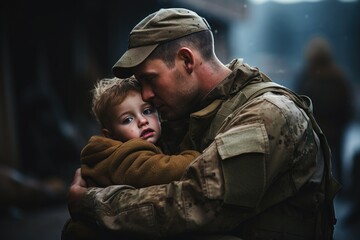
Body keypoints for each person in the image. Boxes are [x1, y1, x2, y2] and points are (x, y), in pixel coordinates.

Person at [65, 8, 341, 239]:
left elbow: (197, 203)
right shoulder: (194, 111)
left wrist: (93, 202)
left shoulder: (267, 114)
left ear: (186, 60)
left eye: (150, 78)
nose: (146, 94)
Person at [62, 76, 200, 239]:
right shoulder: (124, 155)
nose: (142, 121)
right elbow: (165, 170)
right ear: (110, 134)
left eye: (147, 111)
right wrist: (196, 155)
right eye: (128, 119)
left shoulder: (145, 145)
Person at [294, 36, 355, 184]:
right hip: (331, 127)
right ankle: (336, 187)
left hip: (316, 127)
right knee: (334, 161)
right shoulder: (337, 75)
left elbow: (297, 99)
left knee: (316, 165)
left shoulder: (308, 75)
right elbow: (347, 102)